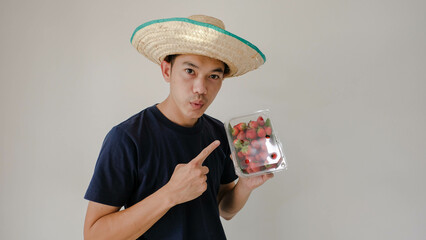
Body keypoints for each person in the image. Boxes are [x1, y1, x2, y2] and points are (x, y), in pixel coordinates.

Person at [83, 15, 273, 240]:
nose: (201, 88)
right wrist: (171, 194)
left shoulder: (218, 133)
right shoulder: (127, 138)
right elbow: (94, 235)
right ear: (166, 70)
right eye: (190, 71)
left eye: (213, 76)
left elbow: (224, 209)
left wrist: (245, 185)